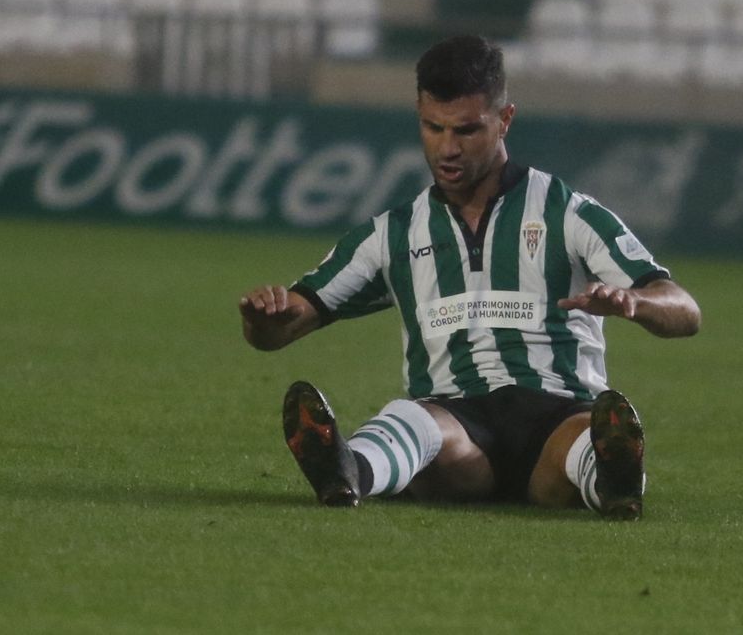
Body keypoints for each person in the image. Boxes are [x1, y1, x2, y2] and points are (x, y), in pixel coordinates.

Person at [238, 36, 701, 516]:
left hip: (557, 411)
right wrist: (262, 318)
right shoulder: (392, 234)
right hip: (458, 427)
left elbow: (685, 310)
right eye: (432, 128)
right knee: (410, 421)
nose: (447, 149)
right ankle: (345, 469)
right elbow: (282, 327)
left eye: (466, 130)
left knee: (582, 441)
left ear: (505, 121)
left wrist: (636, 302)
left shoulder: (569, 213)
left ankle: (614, 480)